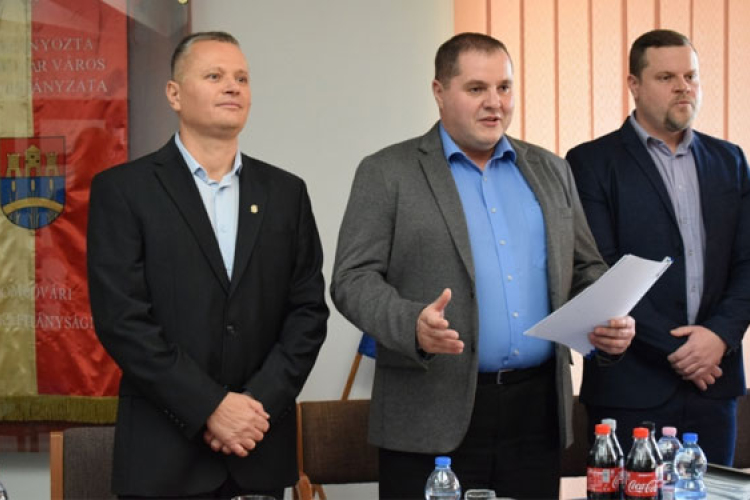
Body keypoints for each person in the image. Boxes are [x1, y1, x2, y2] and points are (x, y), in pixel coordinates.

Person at [331, 32, 635, 500]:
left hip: (536, 413)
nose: (495, 102)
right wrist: (412, 324)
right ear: (439, 92)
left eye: (504, 87)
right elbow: (351, 279)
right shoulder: (387, 172)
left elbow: (585, 267)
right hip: (430, 412)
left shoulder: (551, 169)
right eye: (476, 89)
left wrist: (605, 319)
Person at [87, 31, 328, 499]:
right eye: (214, 76)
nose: (233, 87)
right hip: (163, 456)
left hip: (257, 447)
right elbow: (123, 321)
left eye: (242, 78)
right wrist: (210, 407)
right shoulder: (124, 190)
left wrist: (254, 407)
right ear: (174, 94)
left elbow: (307, 313)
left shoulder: (285, 194)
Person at [566, 29, 750, 465]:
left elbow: (747, 263)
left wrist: (718, 337)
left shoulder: (730, 160)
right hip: (630, 387)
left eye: (690, 76)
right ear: (634, 84)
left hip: (714, 383)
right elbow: (601, 269)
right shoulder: (590, 163)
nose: (683, 87)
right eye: (667, 77)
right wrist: (683, 351)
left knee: (708, 493)